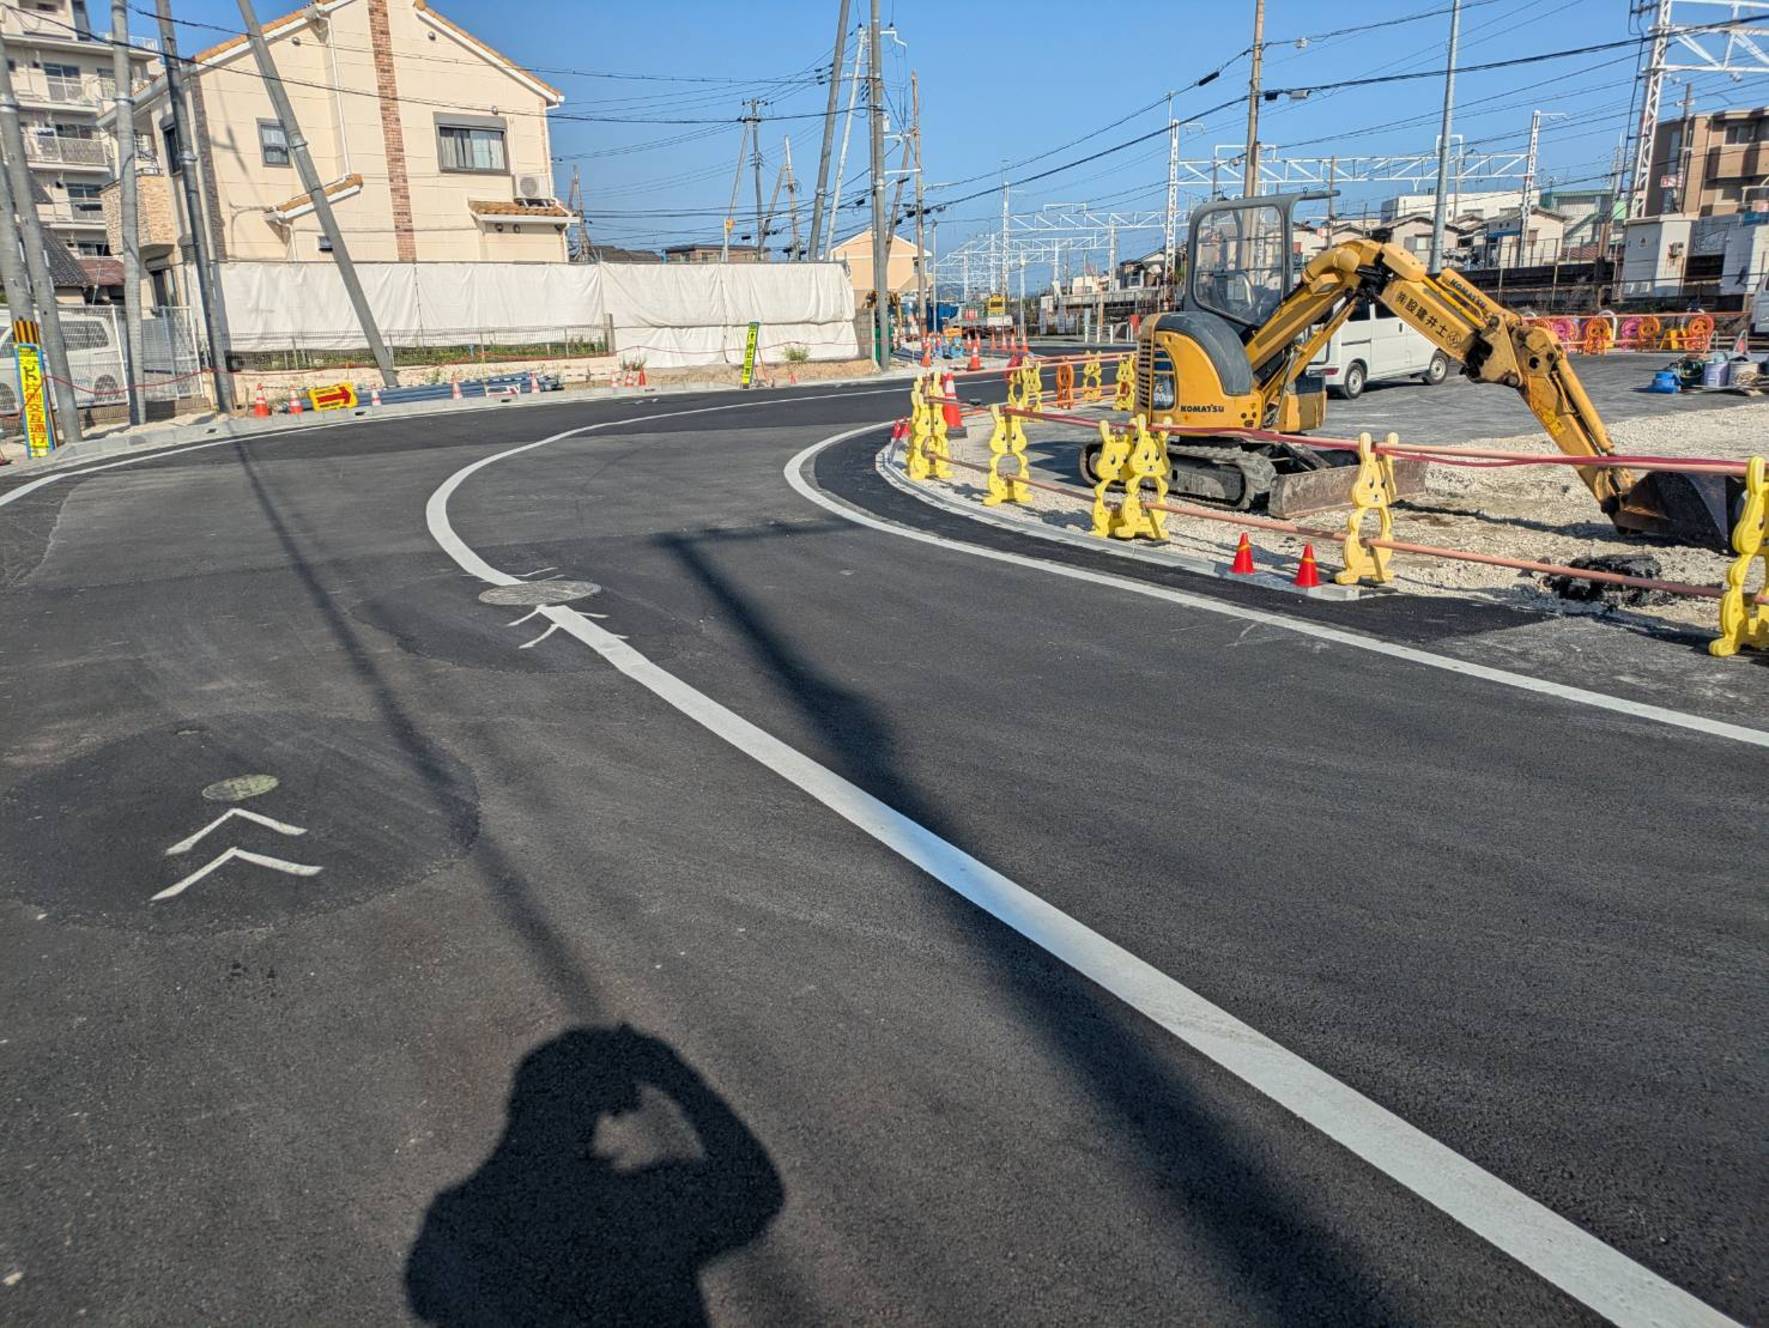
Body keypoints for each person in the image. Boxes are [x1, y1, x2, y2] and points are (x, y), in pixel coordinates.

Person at [406, 1026, 783, 1327]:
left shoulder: (458, 1218)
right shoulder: (640, 1209)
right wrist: (679, 1080)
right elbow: (755, 1188)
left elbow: (426, 1298)